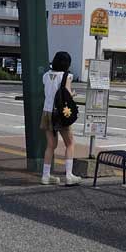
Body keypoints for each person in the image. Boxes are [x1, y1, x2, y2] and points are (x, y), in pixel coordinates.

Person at [40, 50, 80, 186]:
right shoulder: (66, 76)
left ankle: (45, 176)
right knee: (70, 143)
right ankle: (69, 175)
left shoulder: (46, 75)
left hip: (47, 112)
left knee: (50, 145)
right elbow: (67, 94)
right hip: (60, 114)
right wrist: (73, 95)